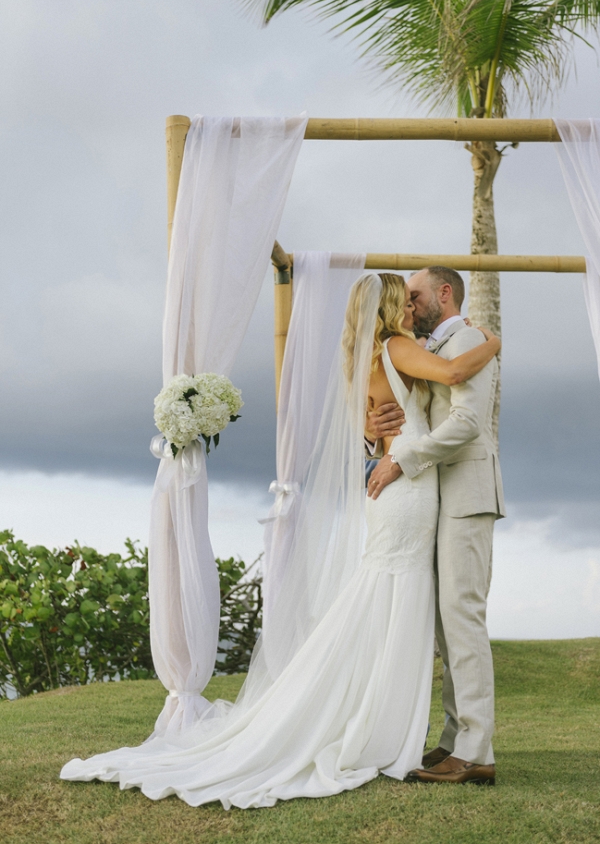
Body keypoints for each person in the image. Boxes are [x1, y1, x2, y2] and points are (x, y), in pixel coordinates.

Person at [60, 273, 500, 808]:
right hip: (406, 488)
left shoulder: (373, 352)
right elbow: (449, 376)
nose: (411, 303)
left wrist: (380, 433)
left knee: (405, 603)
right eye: (403, 297)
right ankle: (411, 733)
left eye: (417, 295)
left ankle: (430, 734)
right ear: (387, 307)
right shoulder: (402, 346)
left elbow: (405, 412)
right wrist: (495, 341)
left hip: (413, 487)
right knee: (398, 599)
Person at [366, 266, 505, 786]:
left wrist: (404, 460)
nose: (411, 302)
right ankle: (453, 740)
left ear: (444, 294)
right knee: (448, 625)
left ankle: (475, 751)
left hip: (466, 491)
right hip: (436, 496)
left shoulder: (469, 338)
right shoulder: (416, 346)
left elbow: (467, 422)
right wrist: (371, 431)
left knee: (462, 617)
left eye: (418, 294)